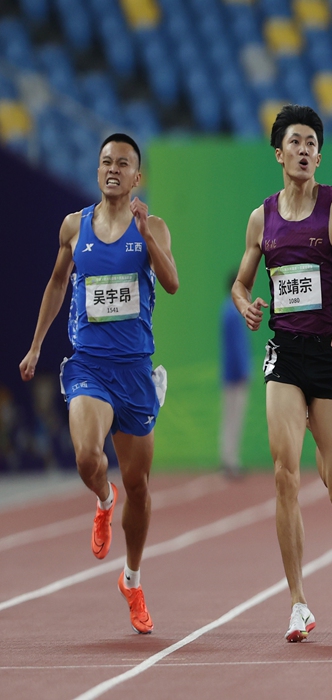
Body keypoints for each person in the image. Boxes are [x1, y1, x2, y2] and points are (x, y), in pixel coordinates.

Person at [19, 133, 179, 632]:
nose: (112, 169)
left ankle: (131, 579)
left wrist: (146, 236)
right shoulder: (74, 226)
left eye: (123, 163)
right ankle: (102, 500)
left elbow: (172, 282)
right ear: (97, 172)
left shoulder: (152, 226)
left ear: (137, 176)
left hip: (134, 370)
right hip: (88, 364)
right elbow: (56, 283)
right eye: (105, 162)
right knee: (88, 456)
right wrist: (37, 344)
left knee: (140, 484)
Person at [231, 104, 332, 642]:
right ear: (279, 152)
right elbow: (241, 282)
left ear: (319, 154)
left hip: (329, 358)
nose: (305, 149)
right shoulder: (260, 218)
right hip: (285, 358)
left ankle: (320, 433)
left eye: (312, 142)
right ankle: (297, 601)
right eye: (295, 141)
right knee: (282, 474)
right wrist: (245, 302)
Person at [220, 271, 251, 478]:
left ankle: (228, 458)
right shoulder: (234, 311)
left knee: (230, 418)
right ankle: (230, 460)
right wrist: (242, 371)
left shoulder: (227, 310)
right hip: (235, 374)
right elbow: (236, 347)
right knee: (233, 418)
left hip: (230, 373)